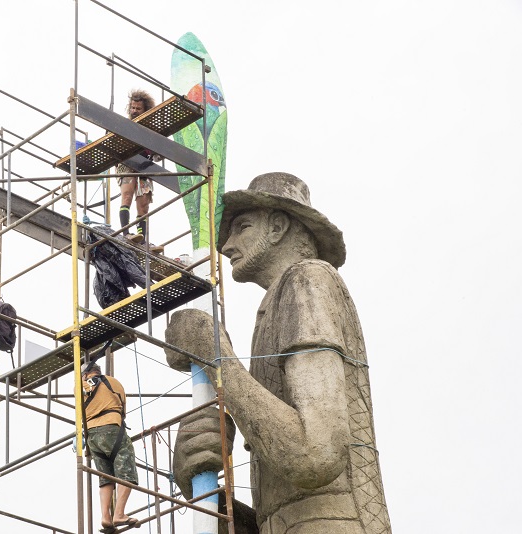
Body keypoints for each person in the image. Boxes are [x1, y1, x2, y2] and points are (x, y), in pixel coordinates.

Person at [164, 173, 391, 533]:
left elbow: (315, 456)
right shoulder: (273, 307)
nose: (227, 245)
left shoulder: (308, 279)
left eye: (243, 227)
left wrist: (214, 354)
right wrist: (210, 499)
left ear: (277, 227)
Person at [81, 361, 138, 532]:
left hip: (91, 436)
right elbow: (122, 410)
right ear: (98, 371)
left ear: (85, 374)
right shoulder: (114, 383)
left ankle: (105, 516)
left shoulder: (80, 387)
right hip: (111, 428)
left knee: (105, 477)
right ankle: (119, 513)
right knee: (126, 471)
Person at [118, 89, 163, 254]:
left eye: (138, 108)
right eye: (133, 108)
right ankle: (126, 233)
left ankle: (142, 239)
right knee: (127, 195)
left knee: (143, 204)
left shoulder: (150, 129)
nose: (134, 111)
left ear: (145, 110)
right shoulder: (125, 125)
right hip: (128, 162)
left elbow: (158, 152)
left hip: (144, 165)